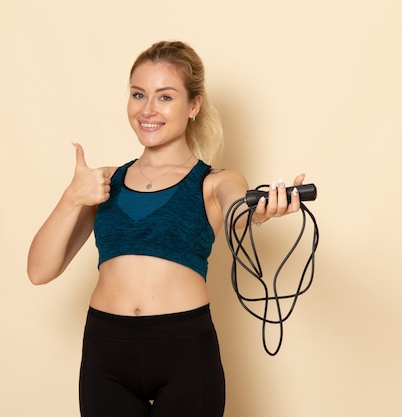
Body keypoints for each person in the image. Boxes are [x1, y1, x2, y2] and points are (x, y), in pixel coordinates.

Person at [27, 40, 305, 417]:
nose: (148, 110)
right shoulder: (103, 182)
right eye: (138, 95)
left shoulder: (214, 182)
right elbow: (39, 270)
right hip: (106, 353)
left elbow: (241, 212)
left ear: (194, 105)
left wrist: (263, 211)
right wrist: (71, 197)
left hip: (185, 351)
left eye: (165, 97)